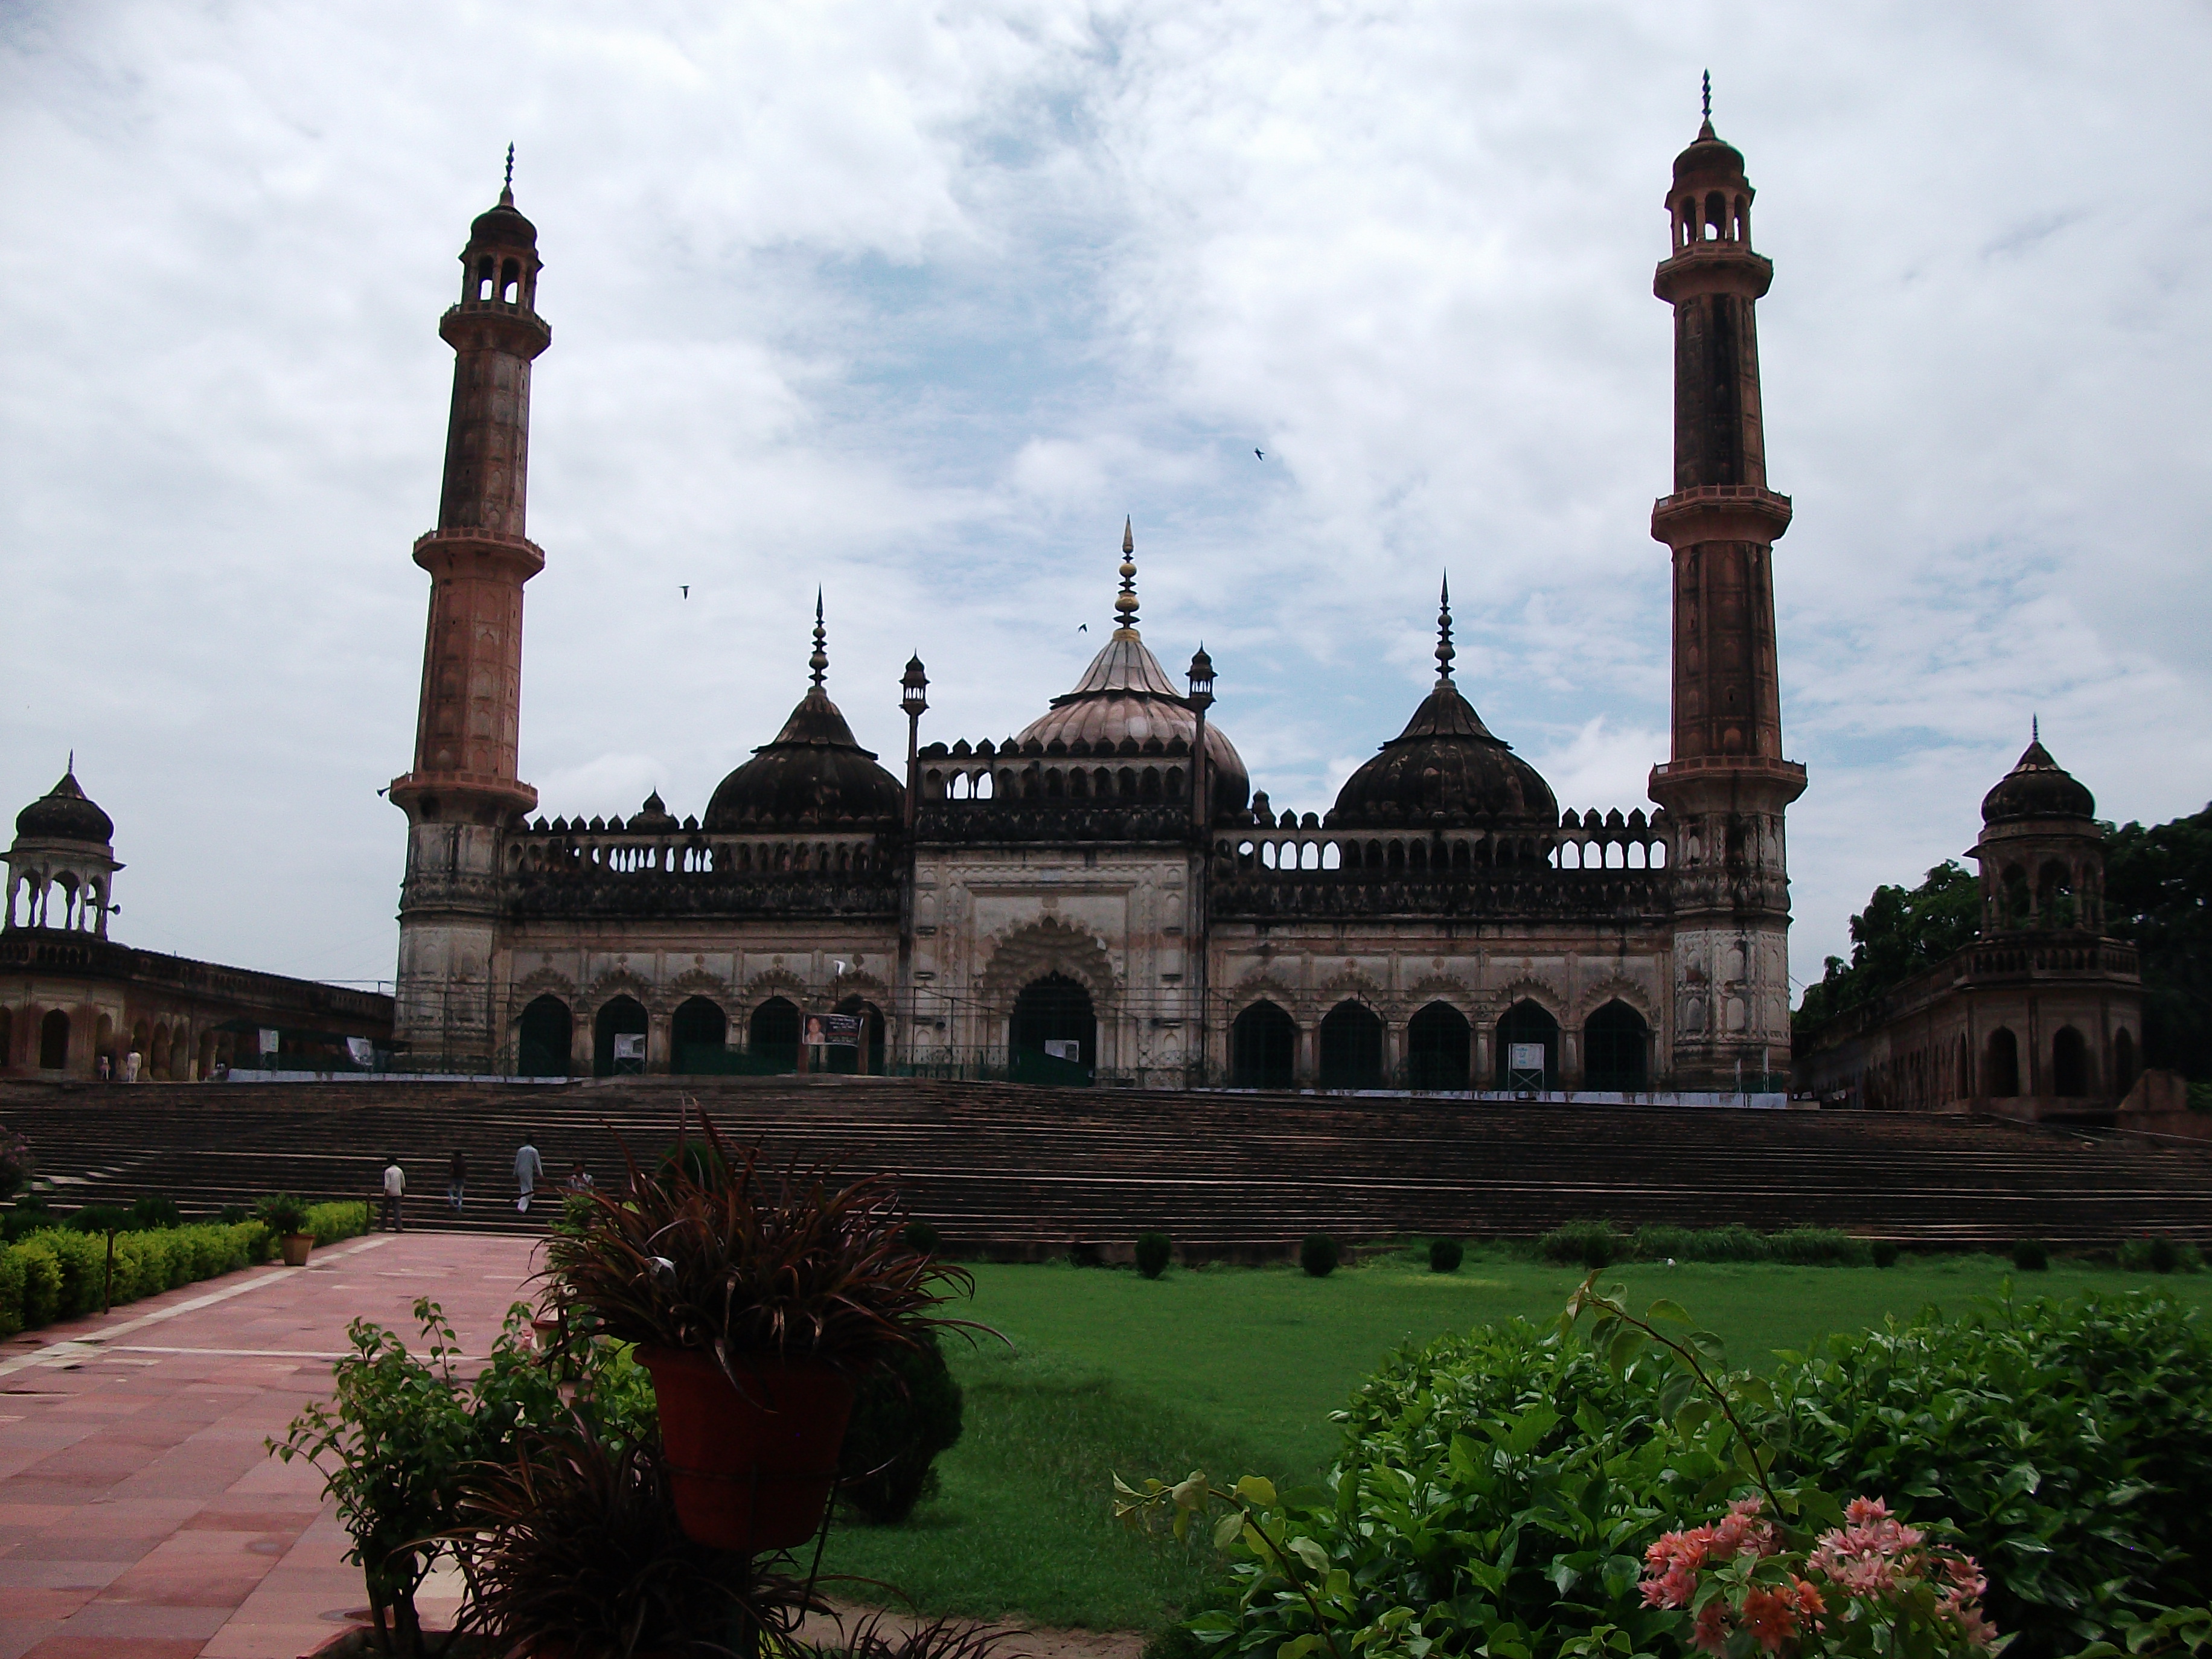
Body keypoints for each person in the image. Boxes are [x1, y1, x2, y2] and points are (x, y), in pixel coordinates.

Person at [514, 1136, 542, 1213]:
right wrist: (540, 1174)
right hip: (528, 1171)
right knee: (528, 1190)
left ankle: (524, 1205)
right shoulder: (534, 1151)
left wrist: (515, 1173)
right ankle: (522, 1207)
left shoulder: (521, 1150)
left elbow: (517, 1162)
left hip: (520, 1171)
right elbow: (538, 1164)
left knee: (525, 1188)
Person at [380, 1156, 406, 1233]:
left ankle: (382, 1226)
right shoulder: (400, 1171)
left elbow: (387, 1184)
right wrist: (403, 1193)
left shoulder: (388, 1171)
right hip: (398, 1192)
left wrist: (386, 1194)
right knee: (397, 1211)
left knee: (385, 1210)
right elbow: (403, 1184)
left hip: (389, 1192)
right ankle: (399, 1227)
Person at [447, 1149, 467, 1215]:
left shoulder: (454, 1161)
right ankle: (459, 1207)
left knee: (450, 1190)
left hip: (455, 1178)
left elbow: (451, 1170)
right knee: (460, 1194)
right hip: (462, 1178)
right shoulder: (463, 1161)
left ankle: (452, 1201)